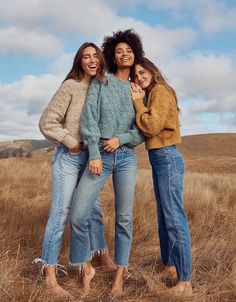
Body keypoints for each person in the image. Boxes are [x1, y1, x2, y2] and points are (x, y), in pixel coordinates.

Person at [33, 42, 115, 299]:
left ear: (101, 60)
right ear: (79, 62)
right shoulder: (70, 86)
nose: (91, 60)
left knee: (94, 209)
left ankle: (101, 256)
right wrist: (71, 142)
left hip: (93, 159)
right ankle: (48, 272)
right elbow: (47, 122)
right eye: (85, 57)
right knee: (61, 214)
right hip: (69, 159)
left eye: (95, 56)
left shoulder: (105, 88)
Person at [69, 29, 145, 297]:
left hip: (126, 157)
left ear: (136, 55)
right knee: (78, 215)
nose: (124, 54)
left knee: (124, 219)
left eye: (129, 51)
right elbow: (88, 120)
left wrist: (120, 138)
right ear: (112, 56)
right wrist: (95, 153)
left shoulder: (139, 90)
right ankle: (86, 267)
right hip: (100, 155)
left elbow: (141, 130)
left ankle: (119, 278)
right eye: (119, 51)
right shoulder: (102, 83)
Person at [130, 57, 193, 297]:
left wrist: (137, 103)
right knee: (164, 216)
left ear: (152, 70)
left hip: (167, 157)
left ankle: (185, 282)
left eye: (142, 71)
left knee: (174, 218)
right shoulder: (153, 93)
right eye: (135, 75)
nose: (139, 77)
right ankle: (170, 267)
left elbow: (151, 126)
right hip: (160, 158)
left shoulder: (160, 91)